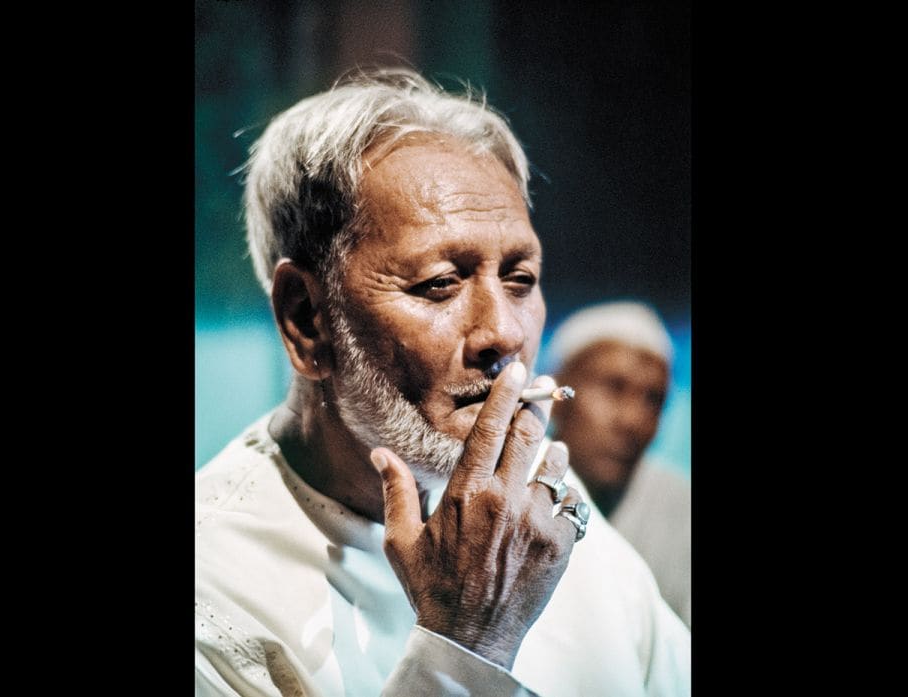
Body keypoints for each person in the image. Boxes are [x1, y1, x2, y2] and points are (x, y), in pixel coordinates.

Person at [195, 69, 690, 696]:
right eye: (439, 283)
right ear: (308, 320)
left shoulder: (541, 504)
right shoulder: (213, 598)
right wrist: (467, 642)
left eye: (519, 279)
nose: (504, 334)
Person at [548, 301, 691, 627]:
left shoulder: (684, 516)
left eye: (653, 399)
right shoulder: (500, 487)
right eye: (613, 387)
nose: (633, 419)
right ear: (558, 394)